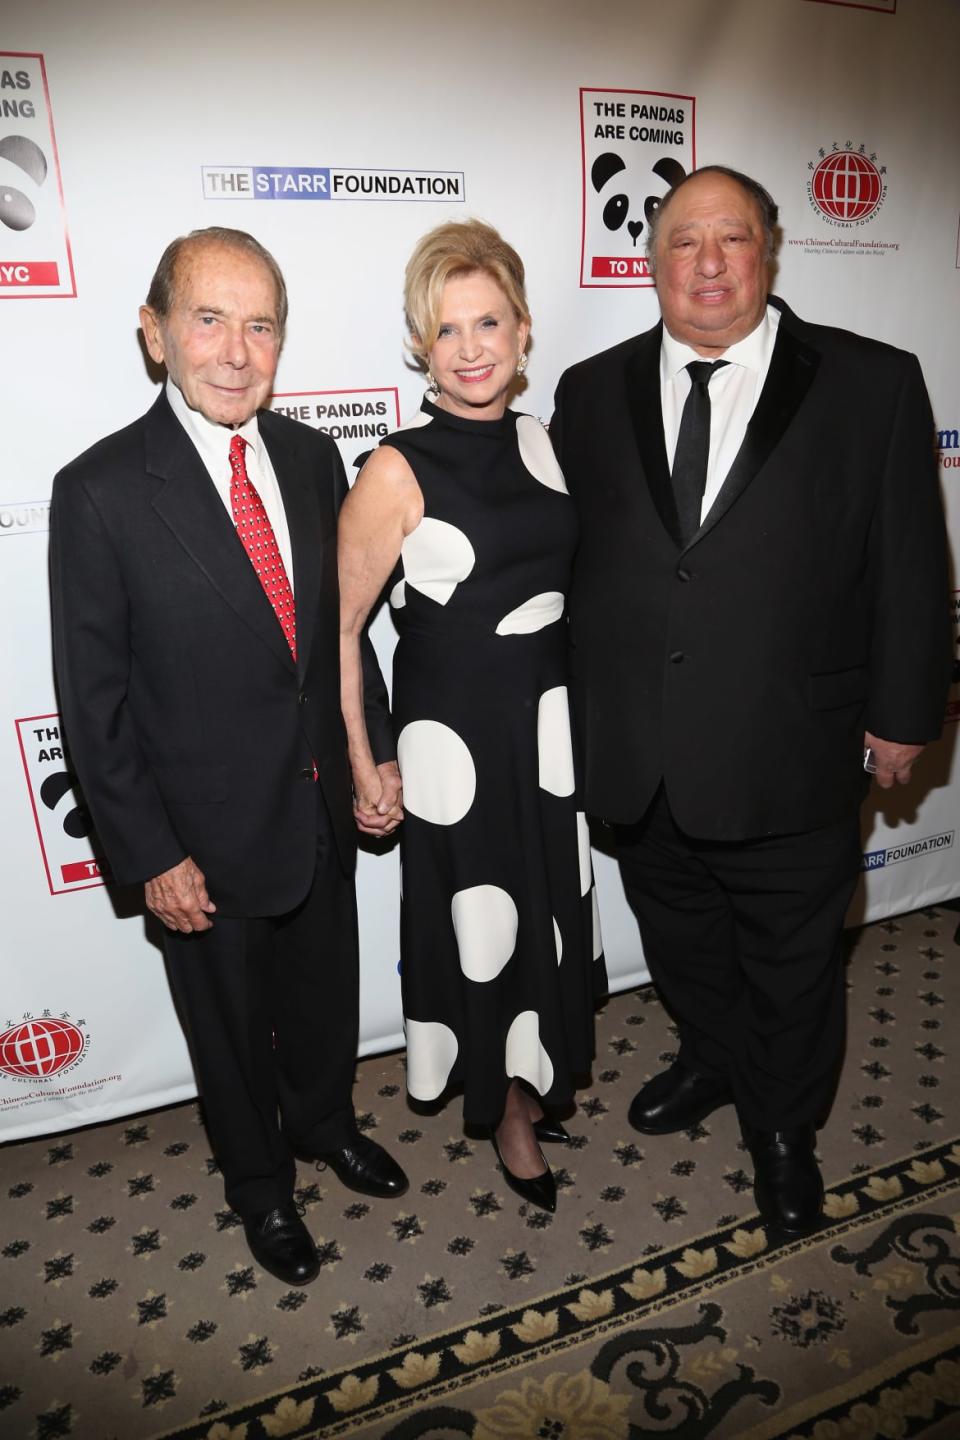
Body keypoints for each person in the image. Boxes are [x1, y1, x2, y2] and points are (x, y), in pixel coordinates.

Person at [551, 166, 951, 1234]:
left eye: (733, 239)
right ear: (651, 263)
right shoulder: (589, 392)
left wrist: (908, 711)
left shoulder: (874, 383)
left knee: (794, 961)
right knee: (683, 943)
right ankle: (715, 1059)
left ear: (771, 253)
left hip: (793, 746)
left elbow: (912, 561)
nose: (710, 262)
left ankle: (783, 1128)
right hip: (638, 752)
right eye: (685, 242)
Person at [49, 226, 408, 1286]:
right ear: (156, 335)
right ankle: (260, 1185)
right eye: (209, 320)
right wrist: (151, 852)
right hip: (199, 841)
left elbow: (339, 635)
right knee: (227, 1030)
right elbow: (93, 703)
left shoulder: (308, 455)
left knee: (324, 994)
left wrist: (368, 754)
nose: (236, 351)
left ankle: (325, 1122)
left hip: (316, 809)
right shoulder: (102, 490)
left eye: (261, 326)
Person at [339, 220, 606, 1213]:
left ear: (525, 330)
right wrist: (365, 760)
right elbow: (338, 631)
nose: (472, 346)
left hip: (546, 733)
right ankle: (504, 1112)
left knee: (545, 908)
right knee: (484, 925)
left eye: (489, 320)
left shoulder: (544, 441)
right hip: (452, 744)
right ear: (422, 347)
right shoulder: (396, 469)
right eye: (447, 330)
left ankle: (534, 1074)